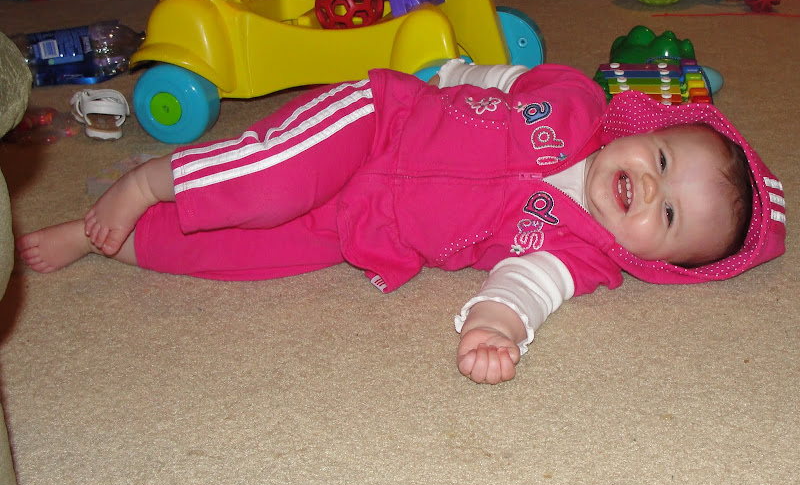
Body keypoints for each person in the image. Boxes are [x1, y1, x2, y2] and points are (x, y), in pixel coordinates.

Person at [17, 59, 786, 385]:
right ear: (644, 129)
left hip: (367, 230)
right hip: (376, 124)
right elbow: (501, 76)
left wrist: (495, 329)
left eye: (668, 213)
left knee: (244, 255)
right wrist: (449, 73)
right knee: (265, 187)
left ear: (656, 260)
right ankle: (150, 180)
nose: (647, 187)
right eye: (660, 159)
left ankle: (101, 238)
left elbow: (524, 288)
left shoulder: (576, 252)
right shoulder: (575, 100)